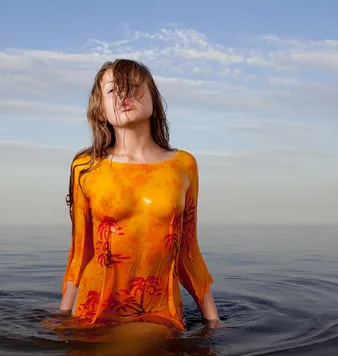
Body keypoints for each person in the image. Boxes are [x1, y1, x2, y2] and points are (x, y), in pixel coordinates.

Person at [59, 58, 219, 333]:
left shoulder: (183, 166)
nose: (124, 95)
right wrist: (63, 317)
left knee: (139, 354)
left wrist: (213, 321)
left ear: (154, 100)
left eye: (134, 86)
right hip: (93, 308)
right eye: (113, 90)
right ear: (100, 109)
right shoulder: (86, 167)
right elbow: (81, 251)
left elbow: (188, 251)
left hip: (158, 311)